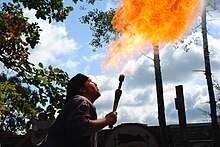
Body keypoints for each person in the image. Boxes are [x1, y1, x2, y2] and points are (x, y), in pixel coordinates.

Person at [38, 73, 117, 147]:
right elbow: (79, 128)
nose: (95, 83)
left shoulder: (78, 103)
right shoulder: (81, 100)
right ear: (82, 89)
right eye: (91, 82)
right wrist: (107, 120)